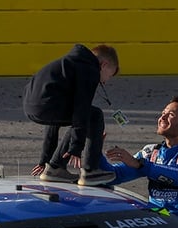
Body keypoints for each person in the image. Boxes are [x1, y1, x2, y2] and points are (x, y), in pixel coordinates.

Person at [103, 96, 178, 228]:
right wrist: (93, 150)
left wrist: (140, 165)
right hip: (155, 225)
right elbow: (114, 175)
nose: (162, 118)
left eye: (171, 115)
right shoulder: (151, 152)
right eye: (163, 113)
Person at [23, 44, 119, 186]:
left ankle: (54, 169)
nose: (104, 82)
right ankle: (90, 171)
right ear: (103, 65)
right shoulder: (89, 69)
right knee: (95, 115)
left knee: (79, 118)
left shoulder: (70, 64)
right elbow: (82, 108)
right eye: (109, 76)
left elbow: (54, 121)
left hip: (31, 107)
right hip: (46, 105)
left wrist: (45, 158)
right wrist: (76, 147)